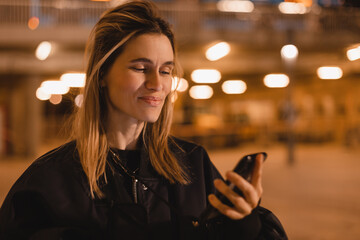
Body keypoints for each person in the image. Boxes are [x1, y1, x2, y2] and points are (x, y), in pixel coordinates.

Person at [0, 0, 287, 239]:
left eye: (165, 71)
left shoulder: (194, 165)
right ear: (101, 74)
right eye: (140, 68)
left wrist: (244, 222)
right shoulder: (50, 180)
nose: (156, 84)